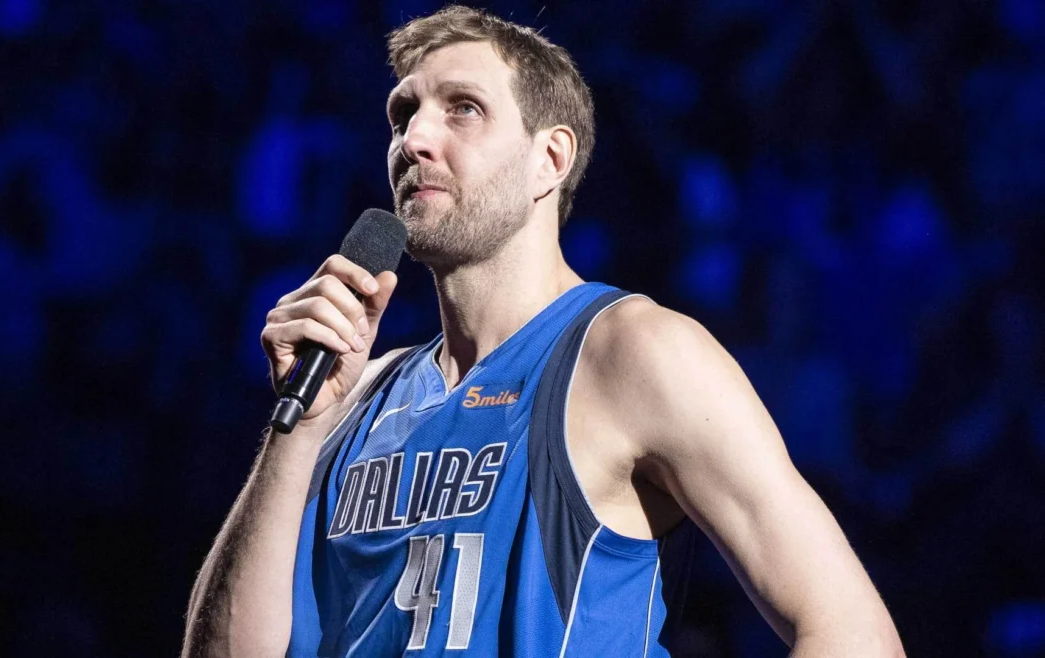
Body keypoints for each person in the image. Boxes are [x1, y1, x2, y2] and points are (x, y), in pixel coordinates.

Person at [182, 6, 904, 657]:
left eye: (462, 109)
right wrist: (297, 431)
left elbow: (853, 633)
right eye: (403, 116)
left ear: (549, 160)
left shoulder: (634, 353)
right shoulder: (350, 393)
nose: (414, 140)